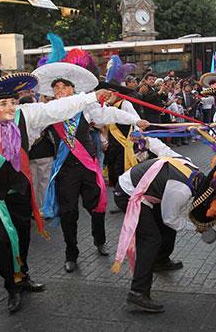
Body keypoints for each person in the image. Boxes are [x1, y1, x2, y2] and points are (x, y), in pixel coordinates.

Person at [0, 0, 120, 312]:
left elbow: (56, 107)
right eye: (3, 104)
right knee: (2, 241)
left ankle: (24, 275)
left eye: (13, 102)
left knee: (23, 236)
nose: (10, 108)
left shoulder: (26, 116)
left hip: (19, 191)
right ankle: (11, 285)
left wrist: (89, 97)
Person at [33, 49, 149, 274]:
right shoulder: (48, 112)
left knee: (97, 206)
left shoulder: (86, 108)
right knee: (68, 213)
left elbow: (111, 115)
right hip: (65, 171)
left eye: (63, 87)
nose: (59, 91)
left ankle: (99, 240)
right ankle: (71, 253)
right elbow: (31, 128)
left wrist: (136, 120)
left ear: (73, 90)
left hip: (87, 166)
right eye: (56, 88)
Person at [112, 151, 208, 312]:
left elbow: (162, 148)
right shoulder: (181, 190)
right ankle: (138, 293)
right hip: (128, 193)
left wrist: (148, 139)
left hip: (145, 191)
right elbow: (170, 219)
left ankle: (160, 260)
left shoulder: (190, 164)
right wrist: (196, 227)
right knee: (151, 239)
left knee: (165, 227)